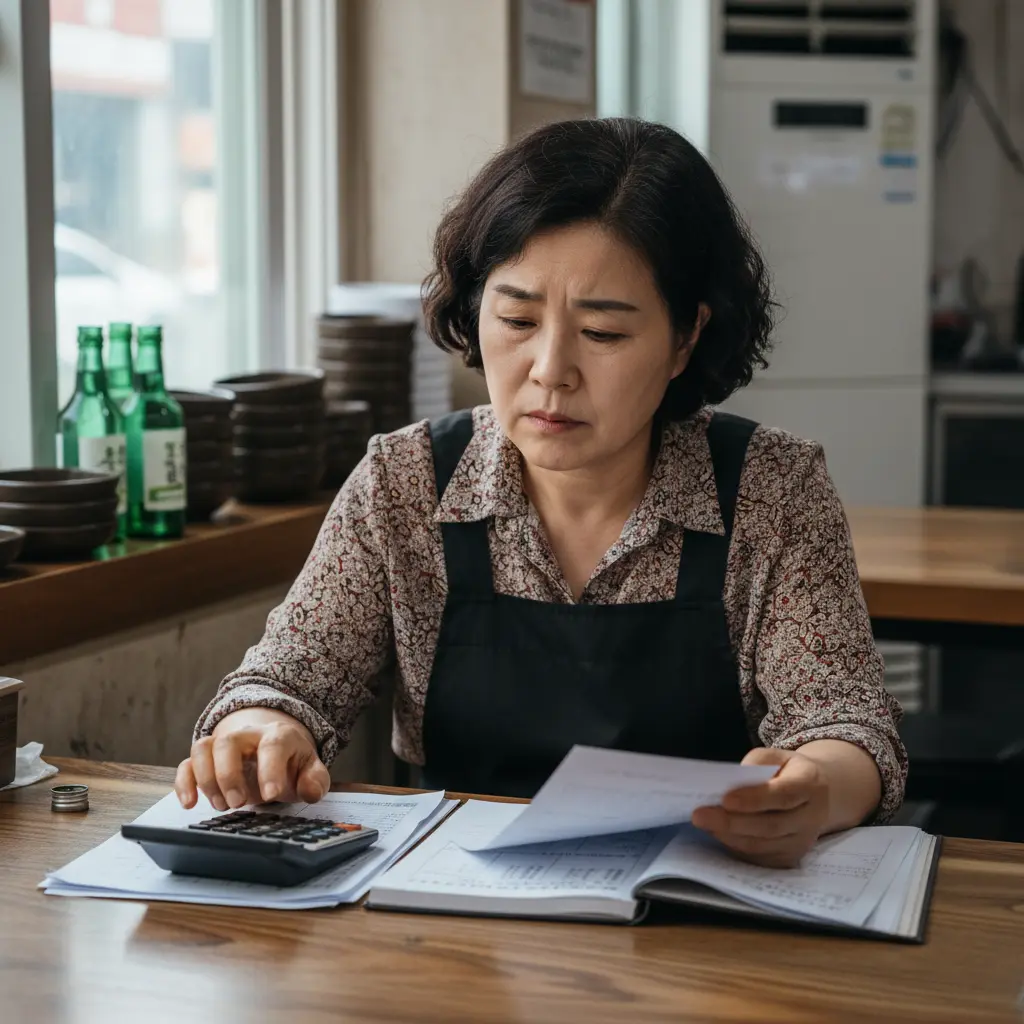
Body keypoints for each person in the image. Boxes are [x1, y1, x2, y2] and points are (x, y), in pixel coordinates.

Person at [176, 118, 906, 868]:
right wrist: (263, 729)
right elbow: (289, 679)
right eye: (518, 319)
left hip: (696, 919)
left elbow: (849, 726)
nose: (550, 369)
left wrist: (813, 791)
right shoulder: (405, 484)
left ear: (687, 337)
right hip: (454, 923)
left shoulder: (772, 489)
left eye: (604, 334)